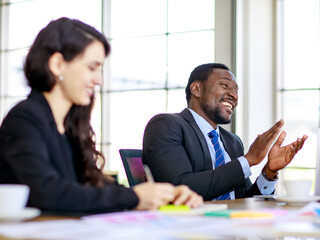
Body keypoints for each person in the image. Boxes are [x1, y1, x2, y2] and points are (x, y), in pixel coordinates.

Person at [0, 17, 203, 213]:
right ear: (57, 65)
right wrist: (136, 197)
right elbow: (46, 192)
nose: (99, 80)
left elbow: (92, 185)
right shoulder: (24, 118)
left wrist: (162, 195)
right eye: (92, 67)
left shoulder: (71, 123)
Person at [142, 63, 308, 201]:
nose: (234, 95)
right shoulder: (166, 125)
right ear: (196, 89)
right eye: (225, 85)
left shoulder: (232, 141)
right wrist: (248, 160)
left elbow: (246, 200)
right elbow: (180, 189)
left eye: (236, 91)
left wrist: (268, 173)